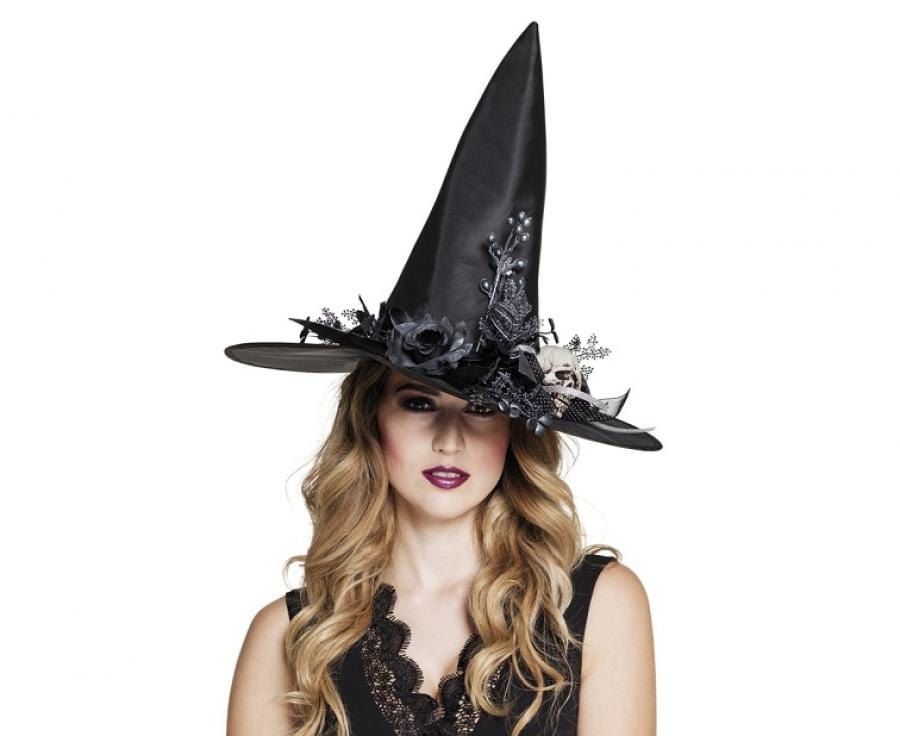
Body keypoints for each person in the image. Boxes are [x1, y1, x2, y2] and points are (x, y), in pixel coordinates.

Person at [224, 21, 659, 736]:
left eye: (482, 407)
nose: (451, 439)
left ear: (516, 427)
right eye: (420, 402)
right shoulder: (290, 637)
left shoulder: (594, 609)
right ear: (373, 416)